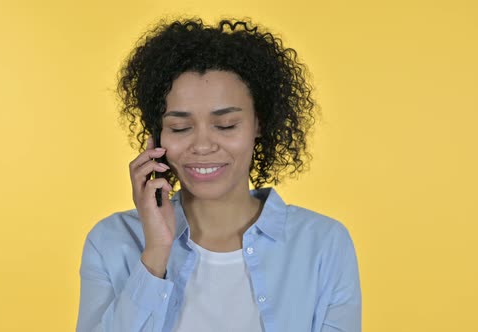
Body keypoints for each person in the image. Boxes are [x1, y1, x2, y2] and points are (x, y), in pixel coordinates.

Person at [76, 18, 361, 332]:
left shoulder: (323, 244)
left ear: (259, 124)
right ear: (157, 136)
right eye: (180, 128)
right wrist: (156, 252)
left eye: (226, 125)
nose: (202, 145)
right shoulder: (112, 242)